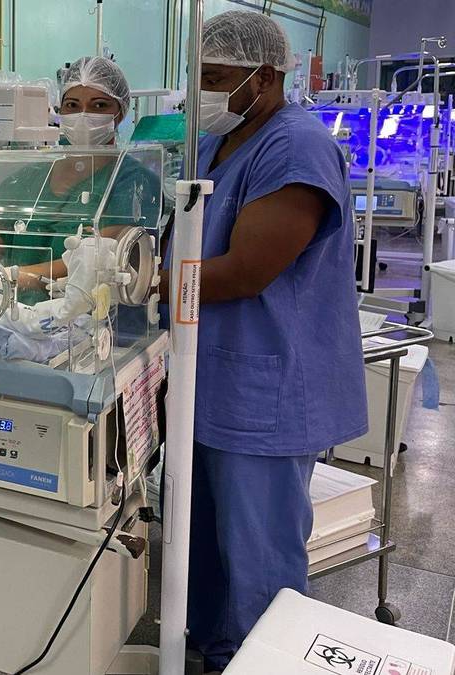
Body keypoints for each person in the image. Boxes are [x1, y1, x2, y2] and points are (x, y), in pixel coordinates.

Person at [165, 10, 368, 671]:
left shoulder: (295, 147)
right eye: (198, 76)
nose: (204, 90)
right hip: (209, 378)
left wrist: (138, 282)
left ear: (266, 76)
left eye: (217, 76)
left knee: (260, 557)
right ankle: (216, 651)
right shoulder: (215, 142)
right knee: (200, 546)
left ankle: (267, 660)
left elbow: (247, 271)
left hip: (266, 387)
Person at [0, 56, 164, 303]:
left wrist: (3, 278)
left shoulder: (134, 182)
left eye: (99, 105)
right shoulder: (30, 176)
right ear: (61, 109)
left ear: (120, 113)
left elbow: (98, 262)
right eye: (72, 105)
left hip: (94, 318)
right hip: (17, 313)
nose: (83, 115)